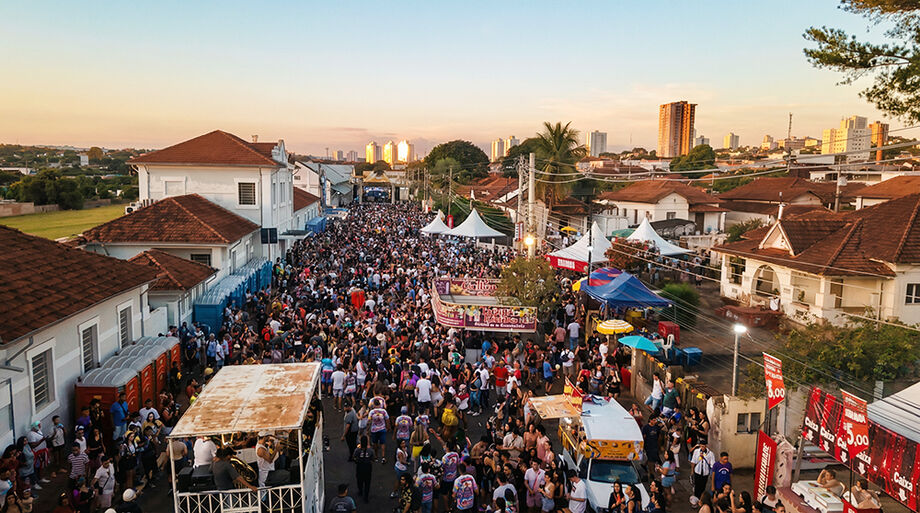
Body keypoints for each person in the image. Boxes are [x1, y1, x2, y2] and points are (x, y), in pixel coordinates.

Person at [352, 436, 375, 503]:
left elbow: (354, 457)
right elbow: (373, 458)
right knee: (367, 482)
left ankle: (360, 490)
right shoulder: (370, 450)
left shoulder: (357, 450)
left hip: (360, 467)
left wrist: (357, 460)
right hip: (368, 467)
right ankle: (366, 496)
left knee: (359, 480)